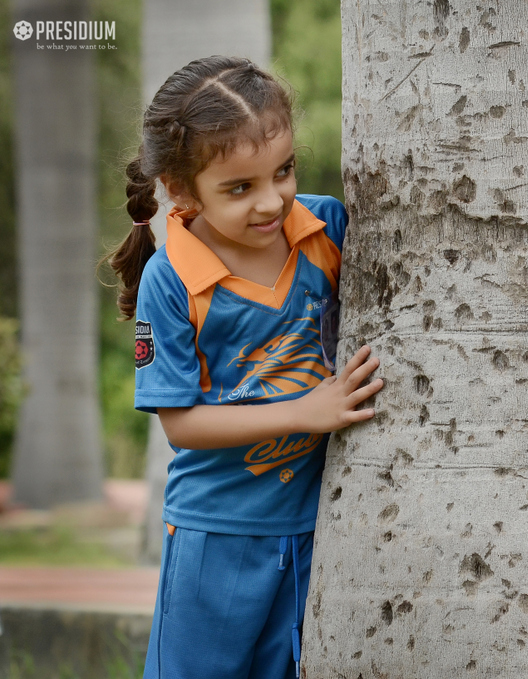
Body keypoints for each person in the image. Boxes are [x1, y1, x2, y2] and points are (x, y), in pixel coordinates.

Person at [106, 56, 383, 679]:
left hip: (323, 525)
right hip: (218, 533)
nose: (271, 201)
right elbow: (180, 424)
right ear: (181, 190)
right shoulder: (170, 278)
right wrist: (306, 412)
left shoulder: (326, 228)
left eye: (282, 171)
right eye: (239, 188)